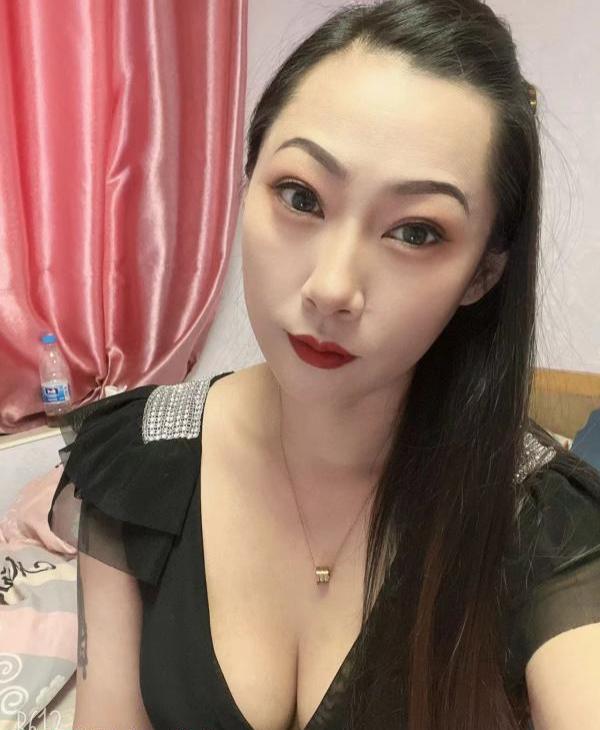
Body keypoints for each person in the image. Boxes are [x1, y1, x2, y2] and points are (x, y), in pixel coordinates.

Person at [47, 1, 600, 728]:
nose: (332, 288)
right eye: (300, 196)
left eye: (416, 232)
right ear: (246, 182)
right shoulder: (137, 456)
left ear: (482, 274)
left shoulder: (542, 520)